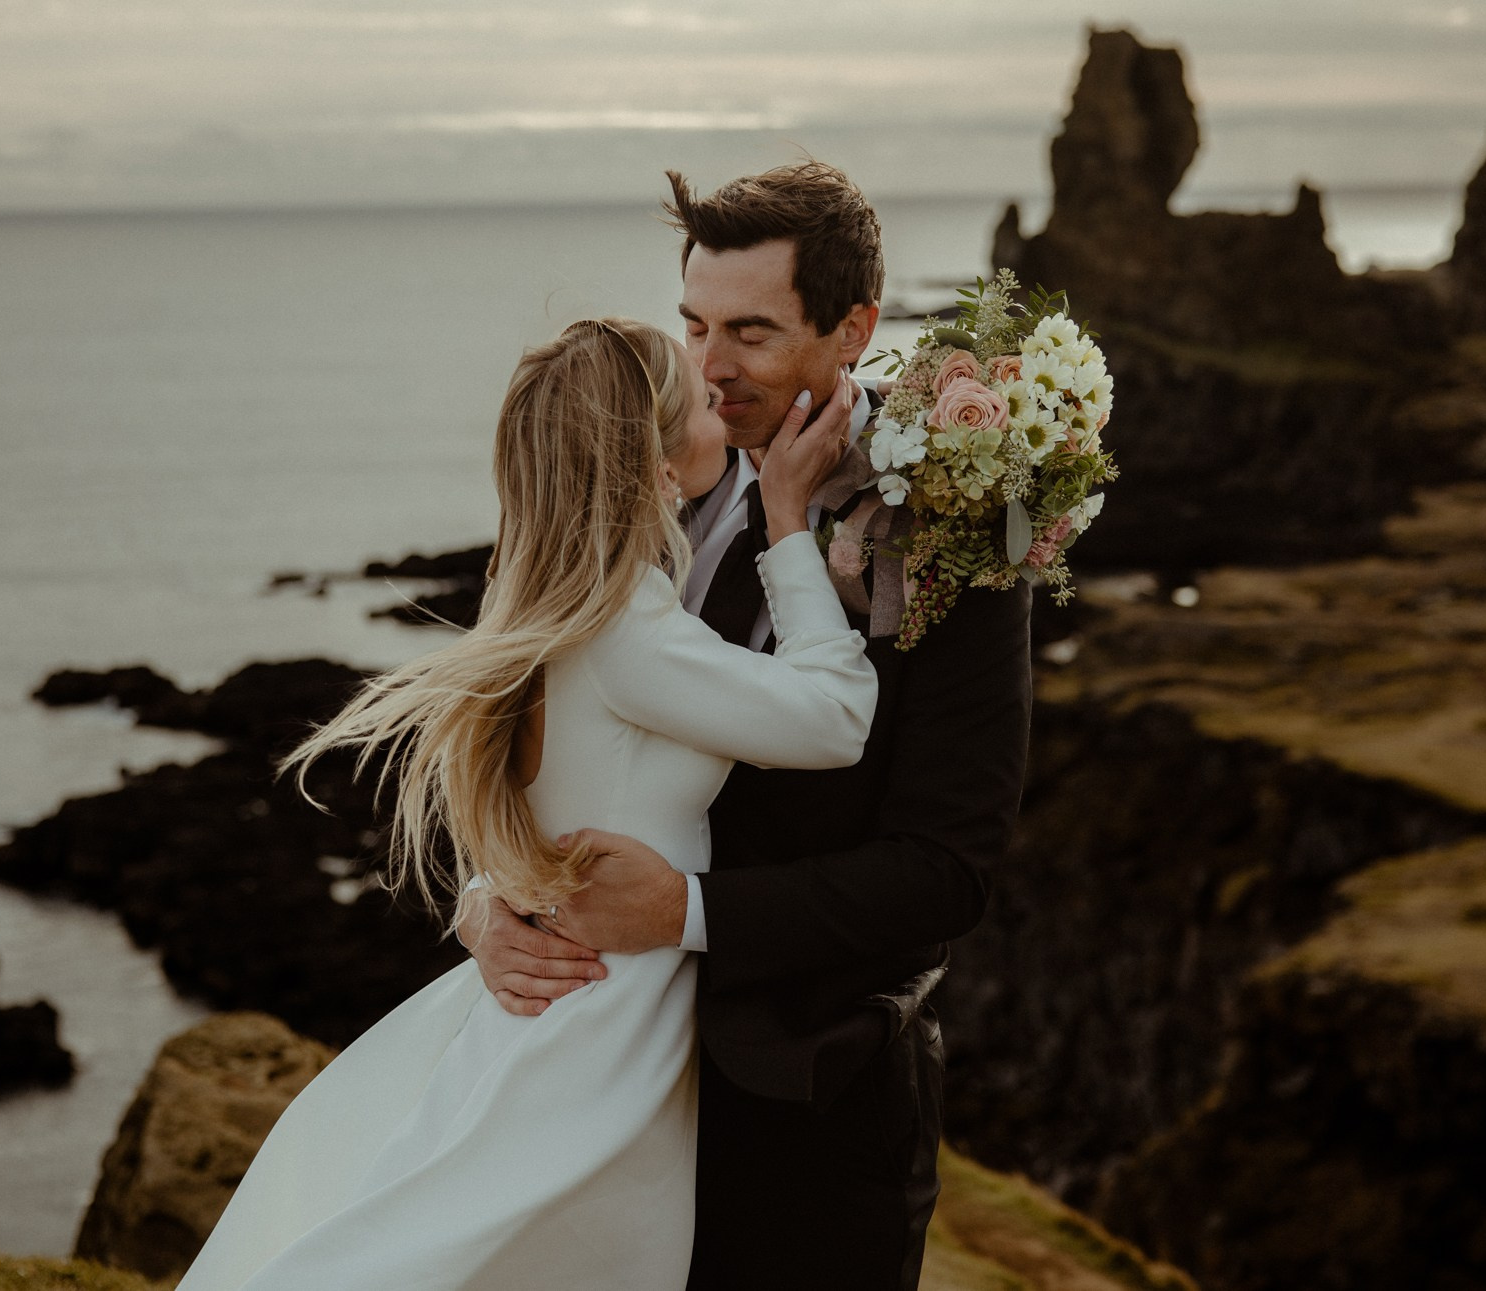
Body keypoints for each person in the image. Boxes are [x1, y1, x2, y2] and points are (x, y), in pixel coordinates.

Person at [171, 315, 873, 1291]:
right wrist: (790, 525)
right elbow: (837, 718)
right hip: (594, 1046)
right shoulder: (628, 629)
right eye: (700, 399)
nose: (723, 395)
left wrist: (482, 898)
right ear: (654, 458)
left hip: (551, 1018)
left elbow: (531, 812)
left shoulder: (537, 597)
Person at [464, 163, 1035, 1290]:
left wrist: (687, 911)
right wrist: (489, 904)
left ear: (852, 331)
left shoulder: (958, 536)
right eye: (692, 326)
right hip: (597, 1078)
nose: (709, 370)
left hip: (807, 1113)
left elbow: (945, 871)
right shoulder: (632, 477)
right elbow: (521, 734)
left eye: (752, 333)